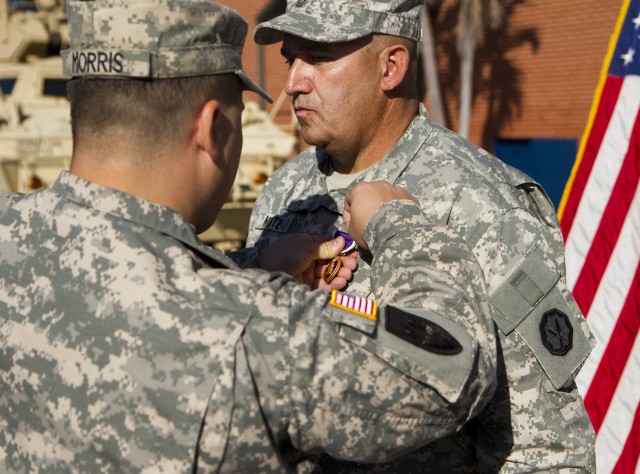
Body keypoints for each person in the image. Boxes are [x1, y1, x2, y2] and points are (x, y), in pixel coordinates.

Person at [0, 0, 498, 472]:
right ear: (213, 129)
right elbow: (448, 373)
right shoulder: (248, 330)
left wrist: (248, 266)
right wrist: (400, 225)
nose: (297, 83)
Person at [234, 0, 598, 472]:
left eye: (319, 58)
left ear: (391, 67)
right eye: (291, 59)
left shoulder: (480, 202)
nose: (294, 82)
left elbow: (542, 447)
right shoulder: (284, 193)